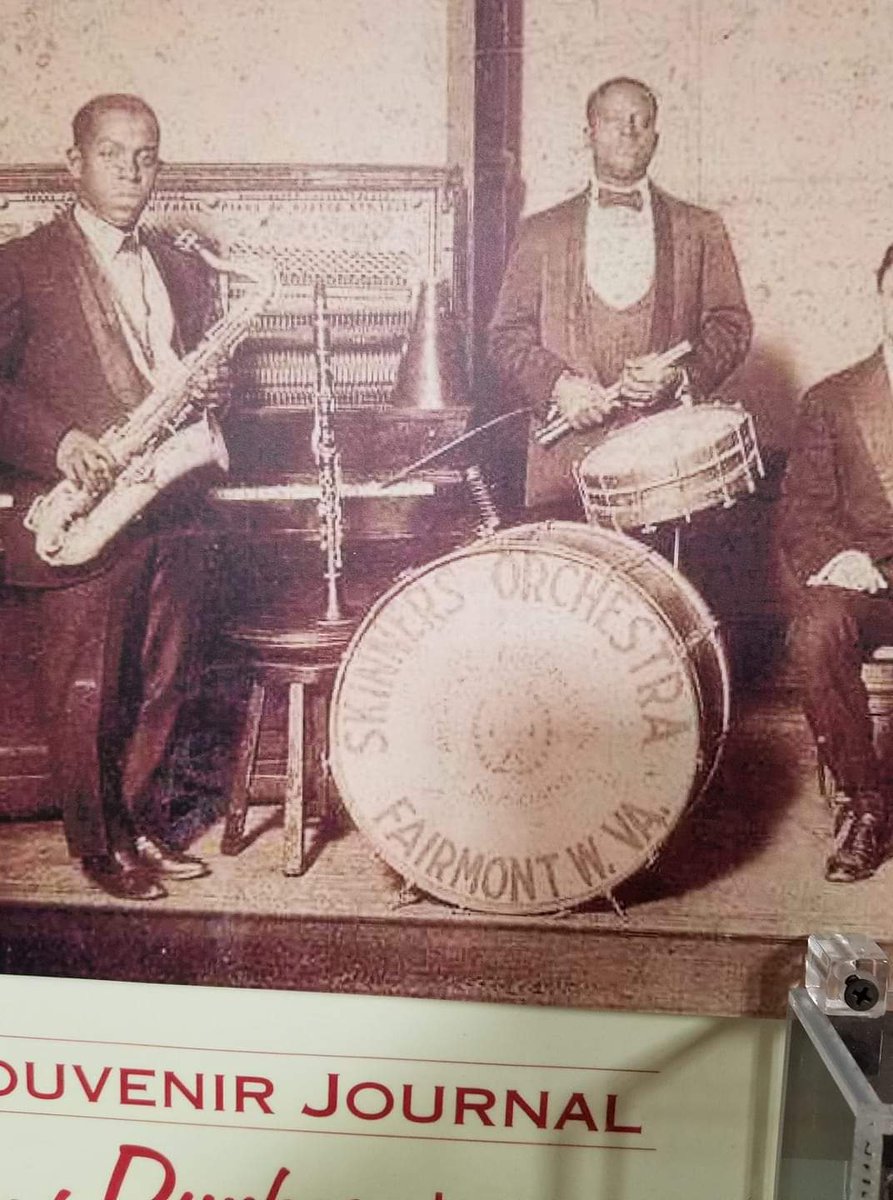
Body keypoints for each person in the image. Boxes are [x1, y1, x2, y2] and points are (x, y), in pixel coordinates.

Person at [0, 94, 221, 900]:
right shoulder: (20, 263)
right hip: (83, 504)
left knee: (163, 677)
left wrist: (204, 392)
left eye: (147, 155)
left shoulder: (180, 263)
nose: (132, 170)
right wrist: (57, 441)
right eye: (112, 152)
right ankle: (99, 848)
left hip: (168, 498)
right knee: (88, 686)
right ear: (74, 163)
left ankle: (143, 827)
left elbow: (174, 365)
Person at [487, 76, 752, 513]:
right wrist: (558, 386)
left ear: (656, 138)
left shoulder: (701, 228)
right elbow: (506, 335)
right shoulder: (540, 232)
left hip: (668, 470)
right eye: (613, 120)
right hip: (565, 471)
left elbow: (731, 325)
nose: (629, 131)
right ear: (588, 134)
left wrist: (679, 376)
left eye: (641, 122)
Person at [777, 243, 893, 884]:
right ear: (880, 298)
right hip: (870, 590)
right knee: (817, 629)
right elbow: (801, 511)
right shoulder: (832, 400)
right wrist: (840, 556)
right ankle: (866, 806)